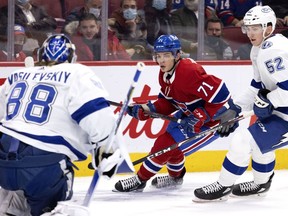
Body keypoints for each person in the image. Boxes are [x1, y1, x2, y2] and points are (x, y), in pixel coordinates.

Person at [0, 34, 129, 215]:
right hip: (43, 164)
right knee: (54, 208)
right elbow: (96, 115)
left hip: (4, 160)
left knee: (14, 202)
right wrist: (106, 148)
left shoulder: (17, 75)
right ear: (72, 58)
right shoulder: (77, 73)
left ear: (40, 56)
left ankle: (12, 208)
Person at [113, 34, 241, 192]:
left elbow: (222, 95)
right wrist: (146, 109)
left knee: (165, 144)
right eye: (158, 56)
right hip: (188, 115)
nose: (161, 60)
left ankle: (140, 179)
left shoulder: (188, 71)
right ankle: (175, 178)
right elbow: (168, 102)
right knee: (170, 146)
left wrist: (201, 116)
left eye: (166, 55)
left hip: (213, 122)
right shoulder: (165, 73)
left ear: (177, 55)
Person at [193, 5, 288, 202]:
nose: (250, 33)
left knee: (243, 141)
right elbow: (256, 86)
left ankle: (223, 186)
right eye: (248, 27)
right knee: (259, 141)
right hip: (281, 113)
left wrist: (268, 101)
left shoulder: (274, 50)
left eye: (255, 27)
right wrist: (234, 109)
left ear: (269, 27)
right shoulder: (258, 48)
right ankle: (261, 183)